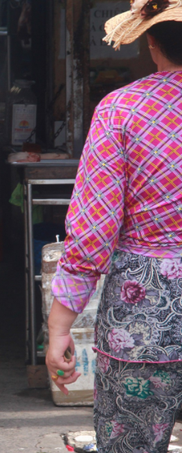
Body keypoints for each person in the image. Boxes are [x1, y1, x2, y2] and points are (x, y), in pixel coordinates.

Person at [46, 3, 182, 451]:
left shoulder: (121, 110)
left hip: (141, 318)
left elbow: (92, 231)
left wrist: (60, 327)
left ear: (150, 40)